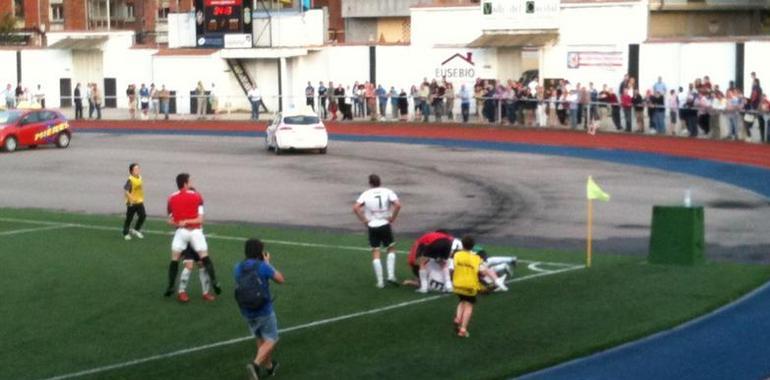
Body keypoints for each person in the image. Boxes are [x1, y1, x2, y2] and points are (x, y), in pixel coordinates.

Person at [164, 173, 221, 300]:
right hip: (193, 235)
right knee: (192, 264)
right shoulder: (196, 197)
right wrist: (184, 222)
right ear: (185, 184)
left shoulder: (172, 198)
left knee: (199, 264)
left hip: (184, 234)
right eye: (190, 182)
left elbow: (170, 220)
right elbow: (200, 219)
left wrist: (180, 222)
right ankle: (182, 291)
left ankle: (204, 292)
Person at [236, 239, 284, 380]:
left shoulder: (238, 267)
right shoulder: (262, 266)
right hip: (263, 309)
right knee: (272, 339)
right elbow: (281, 279)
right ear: (260, 252)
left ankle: (269, 366)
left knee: (260, 338)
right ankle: (255, 365)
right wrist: (267, 263)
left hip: (246, 309)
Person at [353, 174, 401, 288]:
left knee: (375, 252)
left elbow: (355, 207)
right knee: (390, 248)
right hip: (384, 224)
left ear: (370, 183)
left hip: (372, 225)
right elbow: (398, 205)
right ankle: (390, 275)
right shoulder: (387, 191)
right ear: (380, 182)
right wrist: (393, 217)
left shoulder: (366, 193)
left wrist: (364, 220)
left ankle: (380, 282)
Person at [452, 236, 483, 338]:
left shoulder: (457, 255)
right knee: (469, 305)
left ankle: (457, 318)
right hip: (469, 286)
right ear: (473, 246)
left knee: (462, 301)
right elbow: (481, 270)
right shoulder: (476, 258)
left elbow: (454, 266)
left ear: (462, 244)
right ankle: (463, 329)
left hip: (457, 284)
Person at [123, 163, 146, 241]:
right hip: (131, 203)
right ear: (131, 171)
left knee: (143, 215)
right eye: (136, 169)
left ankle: (135, 230)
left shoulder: (140, 177)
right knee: (129, 219)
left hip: (139, 201)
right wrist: (131, 199)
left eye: (138, 168)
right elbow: (126, 191)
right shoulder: (130, 180)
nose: (138, 170)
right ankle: (126, 233)